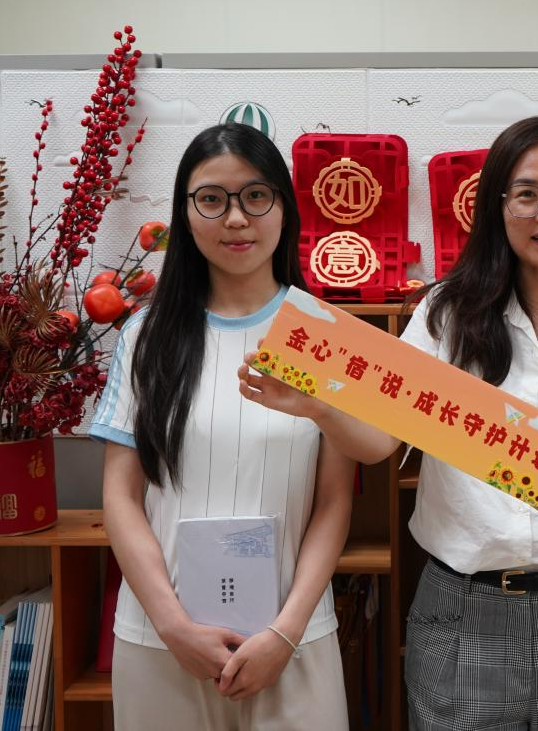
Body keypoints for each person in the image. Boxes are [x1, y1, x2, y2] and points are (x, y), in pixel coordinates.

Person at [236, 115, 538, 730]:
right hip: (461, 608)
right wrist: (319, 406)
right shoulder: (445, 312)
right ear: (497, 206)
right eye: (527, 194)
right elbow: (380, 441)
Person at [94, 123, 353, 730]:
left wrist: (285, 633)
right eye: (212, 199)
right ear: (185, 214)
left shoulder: (324, 334)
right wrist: (172, 626)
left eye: (256, 196)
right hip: (162, 643)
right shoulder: (145, 336)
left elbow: (334, 502)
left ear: (284, 207)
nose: (236, 219)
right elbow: (121, 497)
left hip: (290, 641)